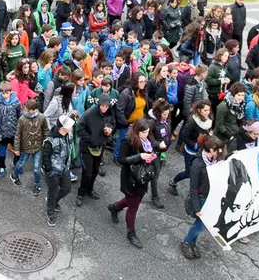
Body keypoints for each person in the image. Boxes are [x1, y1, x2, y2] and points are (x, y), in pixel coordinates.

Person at [107, 118, 166, 249]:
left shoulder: (147, 139)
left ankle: (114, 207)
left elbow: (153, 144)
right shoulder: (127, 140)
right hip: (131, 177)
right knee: (133, 206)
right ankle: (130, 232)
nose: (146, 135)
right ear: (137, 131)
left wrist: (160, 147)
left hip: (143, 176)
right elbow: (121, 159)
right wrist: (140, 157)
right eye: (143, 132)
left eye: (147, 132)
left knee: (134, 200)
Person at [180, 134, 225, 259]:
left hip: (211, 196)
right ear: (211, 150)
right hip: (201, 199)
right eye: (218, 150)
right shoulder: (197, 165)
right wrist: (197, 209)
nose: (221, 152)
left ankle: (191, 242)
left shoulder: (214, 160)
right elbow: (193, 188)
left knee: (200, 225)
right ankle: (187, 242)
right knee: (200, 225)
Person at [168, 99, 213, 194]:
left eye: (208, 110)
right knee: (188, 173)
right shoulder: (192, 121)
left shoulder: (208, 120)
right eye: (205, 110)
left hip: (202, 151)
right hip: (191, 151)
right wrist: (195, 145)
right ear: (199, 110)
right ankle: (173, 182)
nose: (207, 112)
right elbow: (184, 135)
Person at [77, 94, 114, 202]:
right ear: (98, 104)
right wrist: (90, 139)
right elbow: (79, 129)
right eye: (102, 106)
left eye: (106, 106)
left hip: (100, 146)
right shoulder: (89, 113)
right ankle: (81, 193)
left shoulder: (109, 113)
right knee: (87, 173)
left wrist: (109, 132)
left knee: (95, 171)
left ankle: (90, 190)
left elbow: (112, 124)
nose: (104, 108)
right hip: (87, 147)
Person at [42, 115, 75, 227]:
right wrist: (49, 171)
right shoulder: (50, 140)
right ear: (62, 128)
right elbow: (45, 157)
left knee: (67, 189)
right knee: (53, 192)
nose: (71, 126)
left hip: (64, 169)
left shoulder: (68, 135)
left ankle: (54, 201)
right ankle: (50, 213)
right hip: (53, 172)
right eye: (69, 125)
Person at [11, 98, 49, 196]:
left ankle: (37, 186)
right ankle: (14, 175)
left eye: (29, 110)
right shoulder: (22, 119)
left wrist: (47, 141)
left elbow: (45, 130)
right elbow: (17, 135)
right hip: (25, 147)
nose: (27, 111)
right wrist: (16, 148)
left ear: (35, 109)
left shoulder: (42, 117)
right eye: (26, 109)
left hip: (37, 147)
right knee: (21, 163)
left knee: (36, 168)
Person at [0, 81, 23, 177]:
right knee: (2, 151)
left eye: (7, 93)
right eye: (3, 93)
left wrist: (20, 131)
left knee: (17, 150)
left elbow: (20, 117)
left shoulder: (16, 102)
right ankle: (2, 166)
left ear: (11, 92)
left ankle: (17, 164)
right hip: (3, 133)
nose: (5, 95)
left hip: (14, 132)